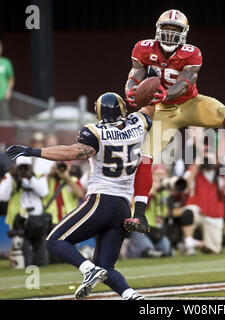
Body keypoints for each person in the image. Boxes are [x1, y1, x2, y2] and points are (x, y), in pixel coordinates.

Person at [123, 9, 225, 234]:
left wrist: (165, 94)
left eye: (176, 31)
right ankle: (140, 215)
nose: (170, 35)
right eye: (166, 29)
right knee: (144, 156)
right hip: (163, 111)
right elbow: (135, 74)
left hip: (190, 103)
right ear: (157, 29)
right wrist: (131, 90)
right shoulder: (143, 48)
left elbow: (186, 81)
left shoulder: (192, 53)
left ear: (184, 34)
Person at [6, 92, 155, 300]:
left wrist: (31, 151)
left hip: (102, 200)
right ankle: (131, 296)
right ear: (122, 110)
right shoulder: (138, 126)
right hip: (122, 207)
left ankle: (87, 270)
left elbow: (70, 152)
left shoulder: (94, 132)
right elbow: (149, 108)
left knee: (55, 240)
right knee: (106, 267)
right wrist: (148, 83)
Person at [0, 157, 50, 267]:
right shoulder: (10, 177)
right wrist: (12, 178)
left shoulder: (38, 176)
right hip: (19, 220)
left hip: (38, 219)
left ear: (31, 167)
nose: (23, 170)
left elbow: (44, 192)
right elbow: (2, 196)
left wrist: (30, 177)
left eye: (25, 167)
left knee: (42, 259)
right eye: (21, 167)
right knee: (23, 260)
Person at [179, 150, 225, 255]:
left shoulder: (223, 172)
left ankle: (197, 244)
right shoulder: (193, 171)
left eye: (209, 159)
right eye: (205, 159)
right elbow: (183, 187)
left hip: (214, 214)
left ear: (216, 160)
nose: (207, 162)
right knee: (188, 212)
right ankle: (189, 244)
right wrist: (196, 167)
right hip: (198, 211)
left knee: (214, 250)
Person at [124, 164, 172, 258]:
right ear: (152, 176)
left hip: (157, 229)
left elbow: (167, 213)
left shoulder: (166, 192)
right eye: (157, 174)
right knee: (148, 252)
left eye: (162, 174)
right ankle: (126, 248)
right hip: (142, 227)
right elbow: (139, 206)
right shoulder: (145, 189)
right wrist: (153, 191)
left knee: (167, 251)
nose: (160, 177)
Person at [0, 40, 15, 121]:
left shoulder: (6, 63)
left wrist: (8, 91)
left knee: (5, 121)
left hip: (2, 96)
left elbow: (11, 79)